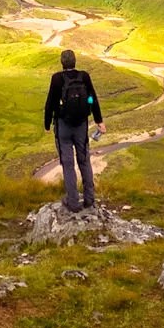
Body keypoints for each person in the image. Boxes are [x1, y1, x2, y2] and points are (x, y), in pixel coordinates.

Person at [43, 47, 103, 212]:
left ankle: (73, 203)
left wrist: (47, 124)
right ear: (75, 61)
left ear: (62, 63)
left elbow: (50, 103)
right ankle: (90, 199)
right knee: (84, 161)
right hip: (81, 126)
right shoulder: (84, 76)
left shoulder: (56, 79)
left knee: (68, 164)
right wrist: (99, 120)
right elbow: (92, 98)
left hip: (63, 126)